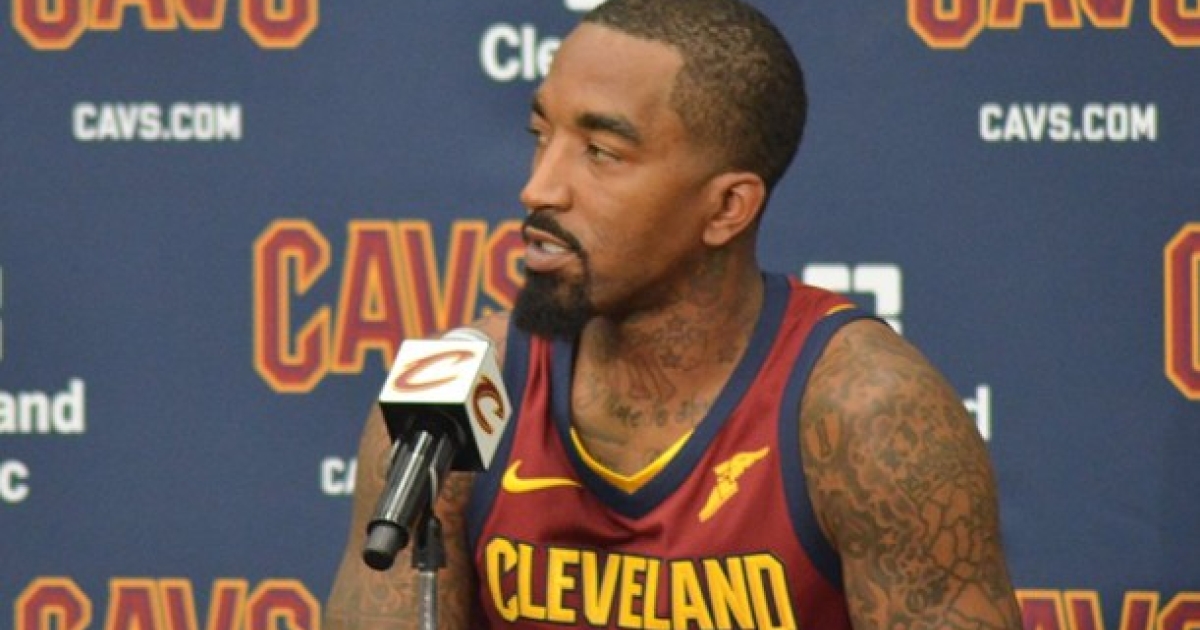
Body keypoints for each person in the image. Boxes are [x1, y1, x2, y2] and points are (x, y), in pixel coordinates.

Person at [324, 0, 1022, 628]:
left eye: (600, 153)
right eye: (541, 134)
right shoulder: (453, 400)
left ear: (726, 208)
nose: (538, 187)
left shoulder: (867, 415)